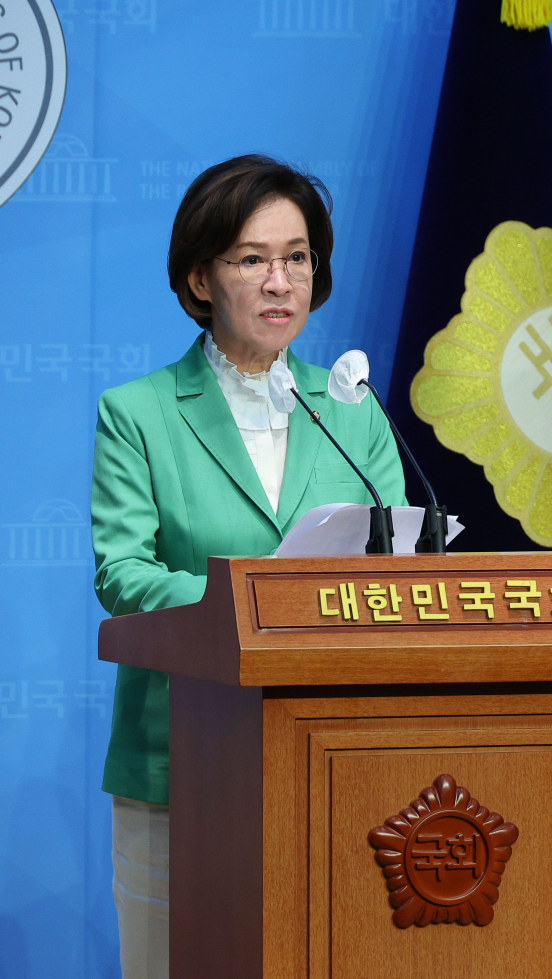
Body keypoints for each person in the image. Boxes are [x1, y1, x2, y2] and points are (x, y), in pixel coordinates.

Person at [91, 155, 407, 979]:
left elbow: (393, 568)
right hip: (182, 756)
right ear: (201, 276)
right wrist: (257, 605)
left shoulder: (351, 407)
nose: (280, 281)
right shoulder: (139, 412)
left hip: (334, 755)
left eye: (297, 257)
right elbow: (124, 572)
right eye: (252, 259)